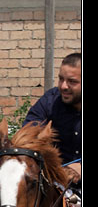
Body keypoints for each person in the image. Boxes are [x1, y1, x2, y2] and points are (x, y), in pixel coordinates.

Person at [23, 52, 81, 185]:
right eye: (61, 79)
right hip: (55, 185)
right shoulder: (50, 101)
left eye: (72, 82)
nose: (63, 86)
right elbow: (30, 132)